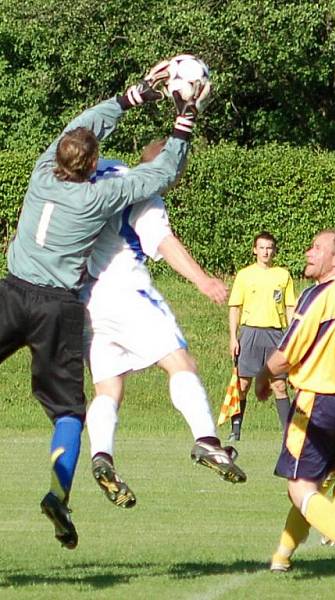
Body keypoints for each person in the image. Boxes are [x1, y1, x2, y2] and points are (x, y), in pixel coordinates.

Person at [0, 62, 199, 549]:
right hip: (57, 308)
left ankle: (60, 496)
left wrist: (137, 94)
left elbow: (84, 124)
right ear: (92, 165)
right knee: (69, 412)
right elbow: (162, 171)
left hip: (9, 291)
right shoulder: (100, 196)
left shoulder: (42, 171)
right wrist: (183, 119)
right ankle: (58, 495)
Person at [83, 140, 247, 510]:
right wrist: (203, 280)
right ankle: (206, 439)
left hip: (88, 300)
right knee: (180, 363)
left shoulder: (101, 171)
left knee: (108, 389)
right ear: (168, 168)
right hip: (128, 291)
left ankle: (103, 456)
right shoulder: (145, 194)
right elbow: (164, 242)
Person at [267, 229, 335, 578]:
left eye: (317, 248)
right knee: (312, 485)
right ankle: (281, 557)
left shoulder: (321, 295)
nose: (308, 252)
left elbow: (287, 353)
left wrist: (261, 377)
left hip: (318, 403)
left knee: (299, 485)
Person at [228, 231, 296, 440]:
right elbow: (235, 307)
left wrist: (292, 334)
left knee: (279, 384)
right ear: (255, 250)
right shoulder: (244, 275)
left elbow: (290, 305)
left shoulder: (283, 275)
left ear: (274, 250)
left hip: (276, 334)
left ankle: (288, 433)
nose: (266, 252)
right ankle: (235, 431)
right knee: (243, 384)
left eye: (269, 247)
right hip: (250, 333)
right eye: (262, 247)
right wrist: (233, 337)